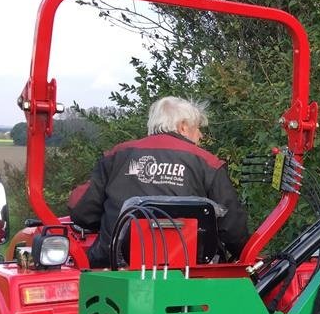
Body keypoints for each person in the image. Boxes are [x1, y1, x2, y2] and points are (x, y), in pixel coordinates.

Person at [69, 96, 249, 267]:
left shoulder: (117, 155)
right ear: (183, 127)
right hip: (188, 269)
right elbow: (233, 230)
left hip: (114, 265)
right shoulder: (208, 163)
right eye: (198, 128)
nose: (200, 135)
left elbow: (82, 213)